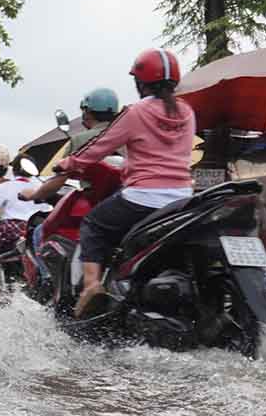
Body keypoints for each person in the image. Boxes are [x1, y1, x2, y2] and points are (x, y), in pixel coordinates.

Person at [54, 49, 196, 317]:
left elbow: (100, 145)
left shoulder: (136, 112)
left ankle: (91, 286)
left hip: (143, 196)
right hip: (182, 199)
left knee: (93, 224)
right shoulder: (187, 112)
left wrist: (69, 163)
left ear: (140, 83)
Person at [22, 88, 122, 204]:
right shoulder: (126, 135)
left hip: (93, 201)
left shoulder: (80, 140)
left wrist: (33, 194)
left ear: (87, 112)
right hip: (128, 200)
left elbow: (59, 179)